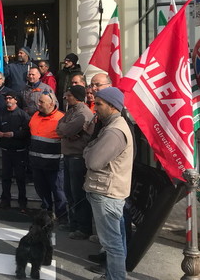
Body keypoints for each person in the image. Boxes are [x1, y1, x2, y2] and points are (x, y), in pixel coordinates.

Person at [84, 87, 133, 280]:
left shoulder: (114, 131)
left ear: (113, 106)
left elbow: (93, 161)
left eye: (99, 104)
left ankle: (115, 277)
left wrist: (88, 151)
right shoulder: (112, 126)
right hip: (107, 190)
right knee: (114, 241)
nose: (95, 108)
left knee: (112, 244)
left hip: (107, 193)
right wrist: (90, 149)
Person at [56, 85, 94, 240]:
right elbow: (59, 126)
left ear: (77, 96)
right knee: (70, 192)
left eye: (70, 95)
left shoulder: (83, 113)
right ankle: (73, 222)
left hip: (78, 156)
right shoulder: (72, 110)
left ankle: (83, 227)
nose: (66, 97)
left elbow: (65, 130)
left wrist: (66, 132)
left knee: (78, 193)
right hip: (69, 155)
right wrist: (66, 132)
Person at [28, 91, 67, 225]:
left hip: (54, 164)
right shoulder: (35, 116)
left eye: (41, 102)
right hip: (37, 163)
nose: (38, 104)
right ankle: (47, 215)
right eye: (39, 101)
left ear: (51, 104)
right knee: (42, 191)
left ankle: (62, 217)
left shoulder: (61, 118)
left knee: (58, 192)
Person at [0, 91, 30, 213]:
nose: (8, 100)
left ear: (16, 100)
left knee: (20, 178)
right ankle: (5, 201)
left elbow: (27, 132)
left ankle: (22, 203)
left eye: (10, 98)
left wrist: (14, 134)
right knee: (6, 177)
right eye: (6, 98)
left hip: (19, 151)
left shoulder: (22, 115)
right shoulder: (1, 114)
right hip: (6, 150)